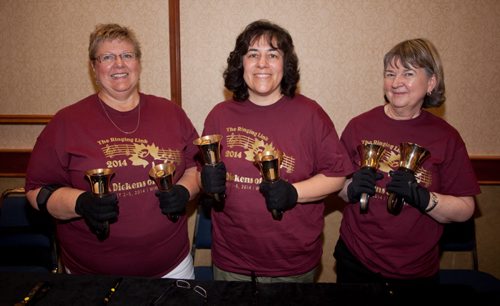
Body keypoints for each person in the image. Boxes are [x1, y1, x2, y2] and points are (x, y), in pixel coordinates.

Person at [24, 23, 200, 278]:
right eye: (107, 57)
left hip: (173, 269)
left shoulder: (171, 112)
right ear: (94, 68)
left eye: (127, 55)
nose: (119, 64)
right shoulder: (66, 122)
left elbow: (196, 166)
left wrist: (185, 190)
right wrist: (81, 203)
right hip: (91, 277)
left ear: (138, 63)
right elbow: (35, 191)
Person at [200, 20, 353, 283]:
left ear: (285, 64)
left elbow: (337, 175)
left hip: (292, 265)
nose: (262, 64)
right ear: (241, 64)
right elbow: (208, 177)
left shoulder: (310, 114)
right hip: (231, 262)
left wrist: (294, 192)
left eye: (272, 55)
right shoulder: (219, 116)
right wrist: (206, 184)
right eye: (252, 55)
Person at [334, 38, 480, 284]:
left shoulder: (447, 137)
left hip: (416, 272)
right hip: (356, 261)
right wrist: (350, 187)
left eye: (408, 73)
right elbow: (337, 186)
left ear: (431, 82)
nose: (396, 82)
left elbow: (466, 208)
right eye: (390, 73)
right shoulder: (359, 126)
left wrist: (424, 198)